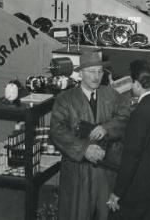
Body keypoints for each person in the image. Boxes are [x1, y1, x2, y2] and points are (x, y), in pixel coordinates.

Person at [50, 51, 130, 220]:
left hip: (106, 169)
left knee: (107, 214)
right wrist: (84, 149)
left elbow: (125, 118)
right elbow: (57, 130)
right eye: (91, 71)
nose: (96, 76)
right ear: (80, 74)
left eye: (99, 72)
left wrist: (107, 127)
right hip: (78, 170)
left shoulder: (111, 95)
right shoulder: (65, 99)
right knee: (77, 213)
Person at [107, 61, 150, 220]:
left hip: (138, 190)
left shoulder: (140, 114)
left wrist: (117, 192)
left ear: (136, 84)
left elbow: (131, 157)